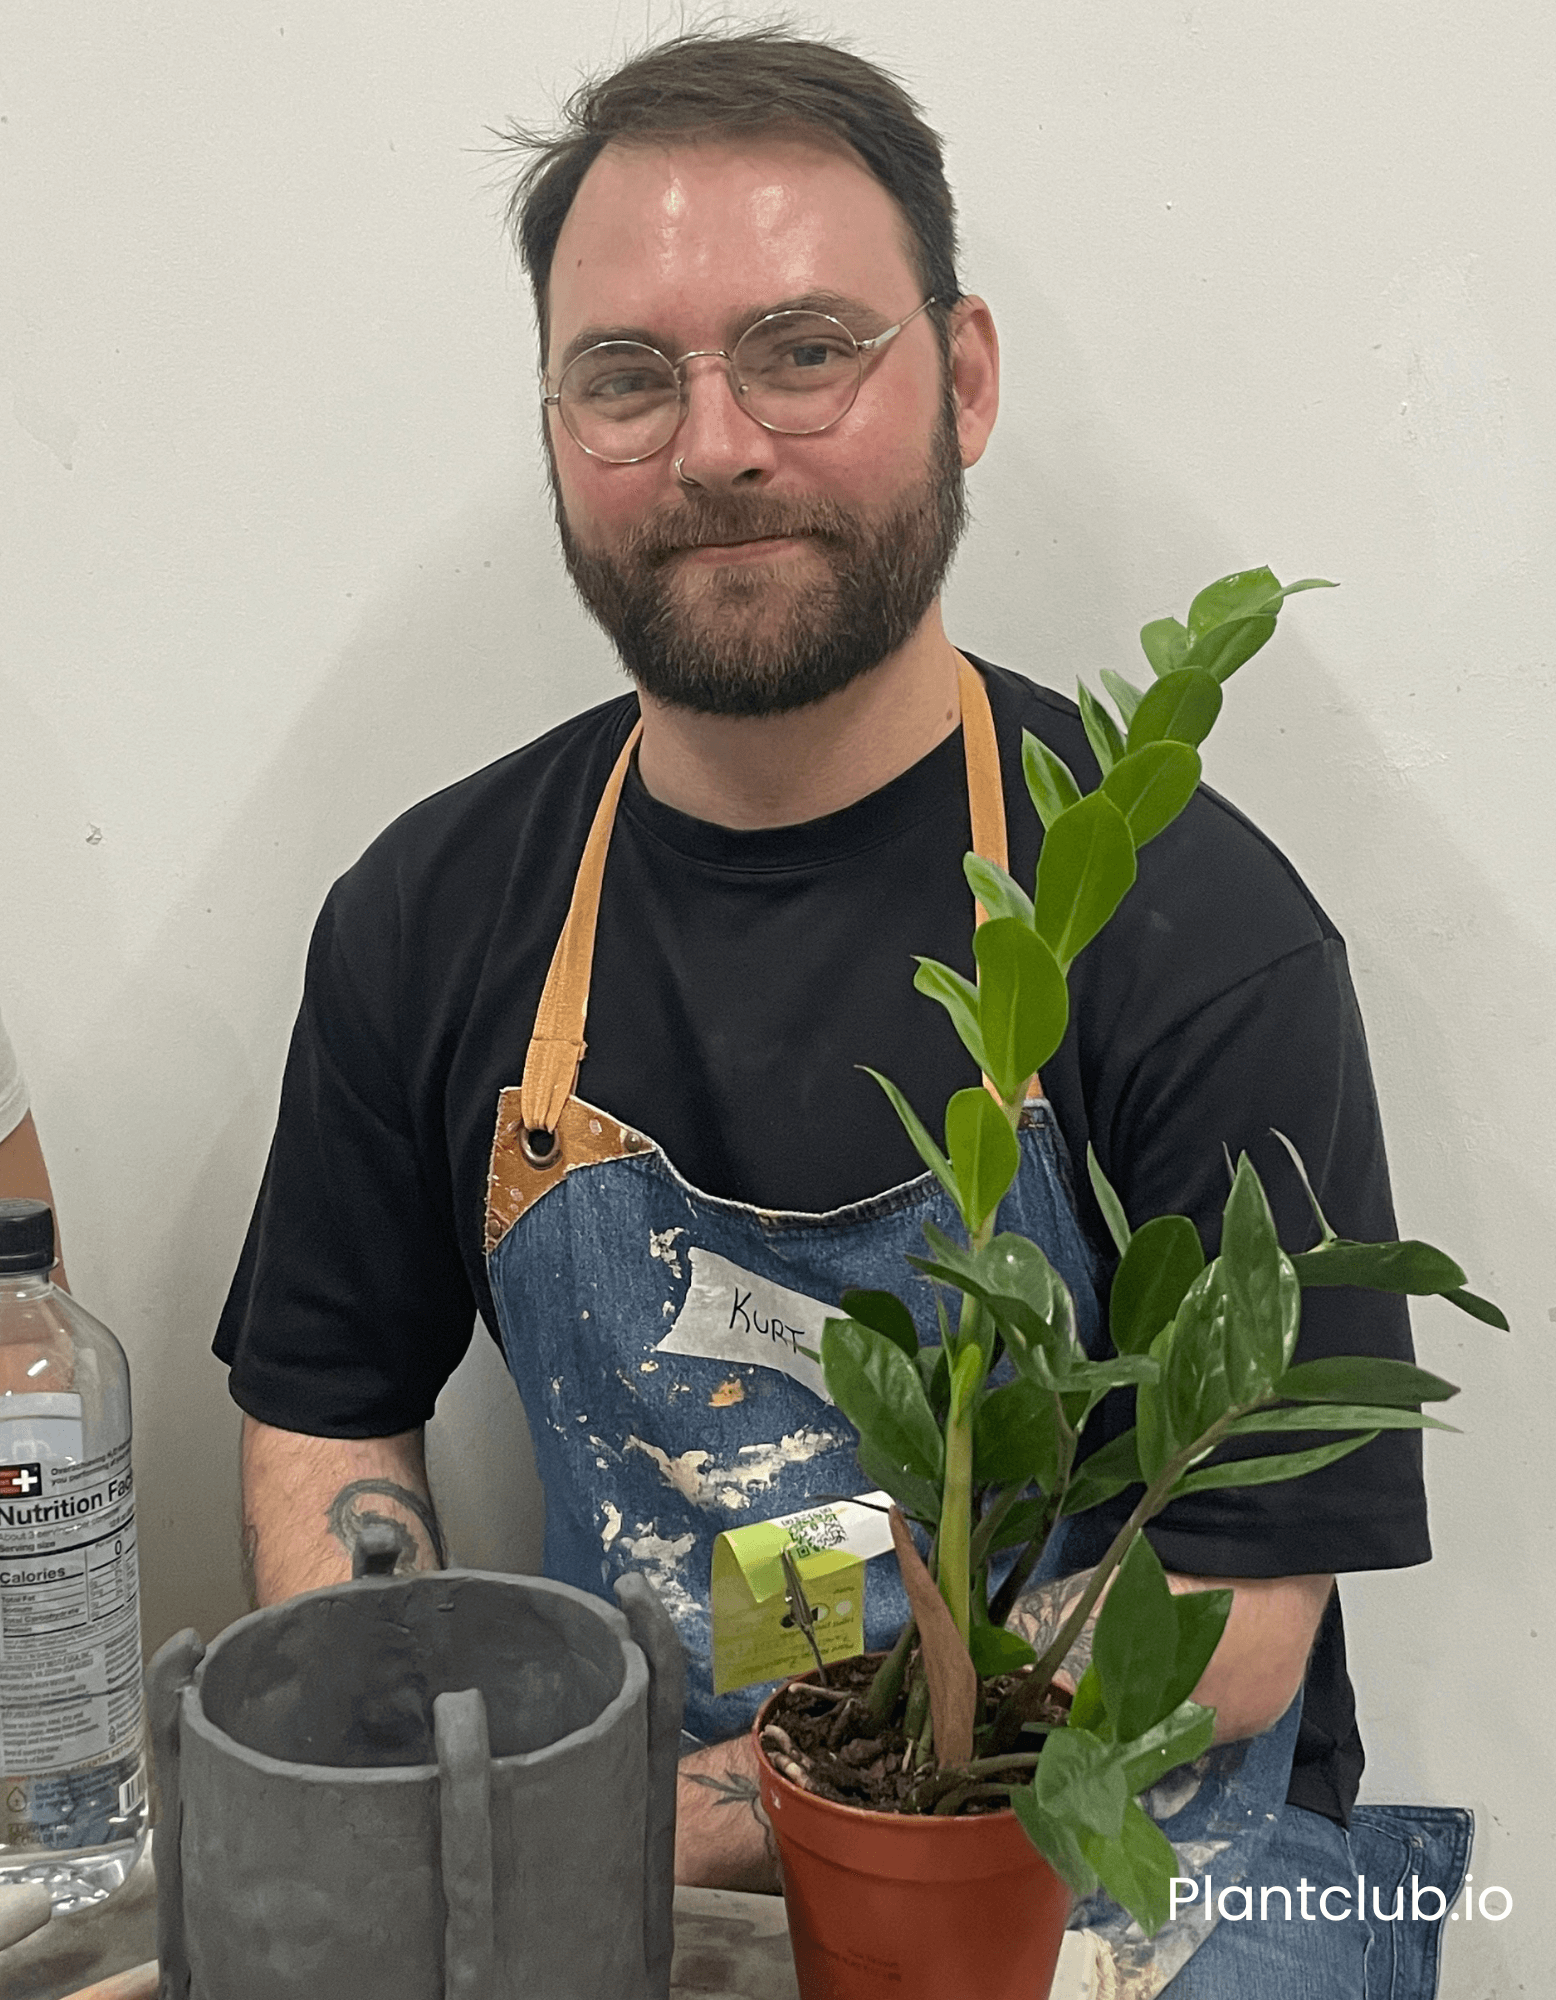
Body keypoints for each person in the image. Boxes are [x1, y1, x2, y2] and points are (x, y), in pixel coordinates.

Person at [215, 32, 1442, 1990]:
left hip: (1129, 1861)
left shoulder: (1181, 922)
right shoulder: (428, 918)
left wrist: (668, 1805)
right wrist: (402, 1763)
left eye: (801, 347)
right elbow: (323, 1410)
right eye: (627, 373)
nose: (713, 445)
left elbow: (1233, 1619)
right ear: (558, 429)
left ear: (958, 382)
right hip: (611, 1878)